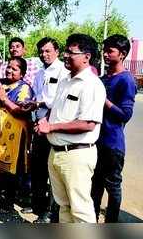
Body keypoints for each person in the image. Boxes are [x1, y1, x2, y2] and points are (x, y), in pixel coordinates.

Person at [35, 33, 106, 223]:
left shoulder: (92, 85)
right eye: (66, 51)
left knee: (81, 210)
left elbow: (88, 124)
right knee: (64, 207)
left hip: (76, 155)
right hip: (57, 153)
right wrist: (45, 121)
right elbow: (56, 109)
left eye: (71, 52)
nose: (66, 55)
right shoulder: (65, 80)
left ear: (87, 56)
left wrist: (51, 127)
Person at [20, 37, 69, 223]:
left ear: (57, 51)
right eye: (41, 51)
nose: (44, 54)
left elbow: (57, 101)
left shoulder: (63, 71)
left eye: (48, 51)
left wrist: (45, 117)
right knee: (38, 166)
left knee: (52, 170)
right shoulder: (40, 73)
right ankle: (38, 205)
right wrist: (31, 107)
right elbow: (37, 97)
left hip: (53, 122)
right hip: (38, 122)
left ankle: (50, 212)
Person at [91, 34, 137, 223]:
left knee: (113, 187)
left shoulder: (126, 80)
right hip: (95, 141)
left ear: (123, 54)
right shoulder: (102, 79)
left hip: (112, 143)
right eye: (104, 51)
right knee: (95, 185)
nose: (105, 55)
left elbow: (125, 115)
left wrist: (105, 101)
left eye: (110, 51)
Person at [0, 57, 34, 220]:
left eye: (15, 69)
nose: (10, 71)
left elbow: (21, 110)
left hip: (15, 135)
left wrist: (4, 99)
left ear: (23, 73)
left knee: (12, 170)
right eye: (9, 67)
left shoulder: (24, 88)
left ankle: (8, 202)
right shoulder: (1, 84)